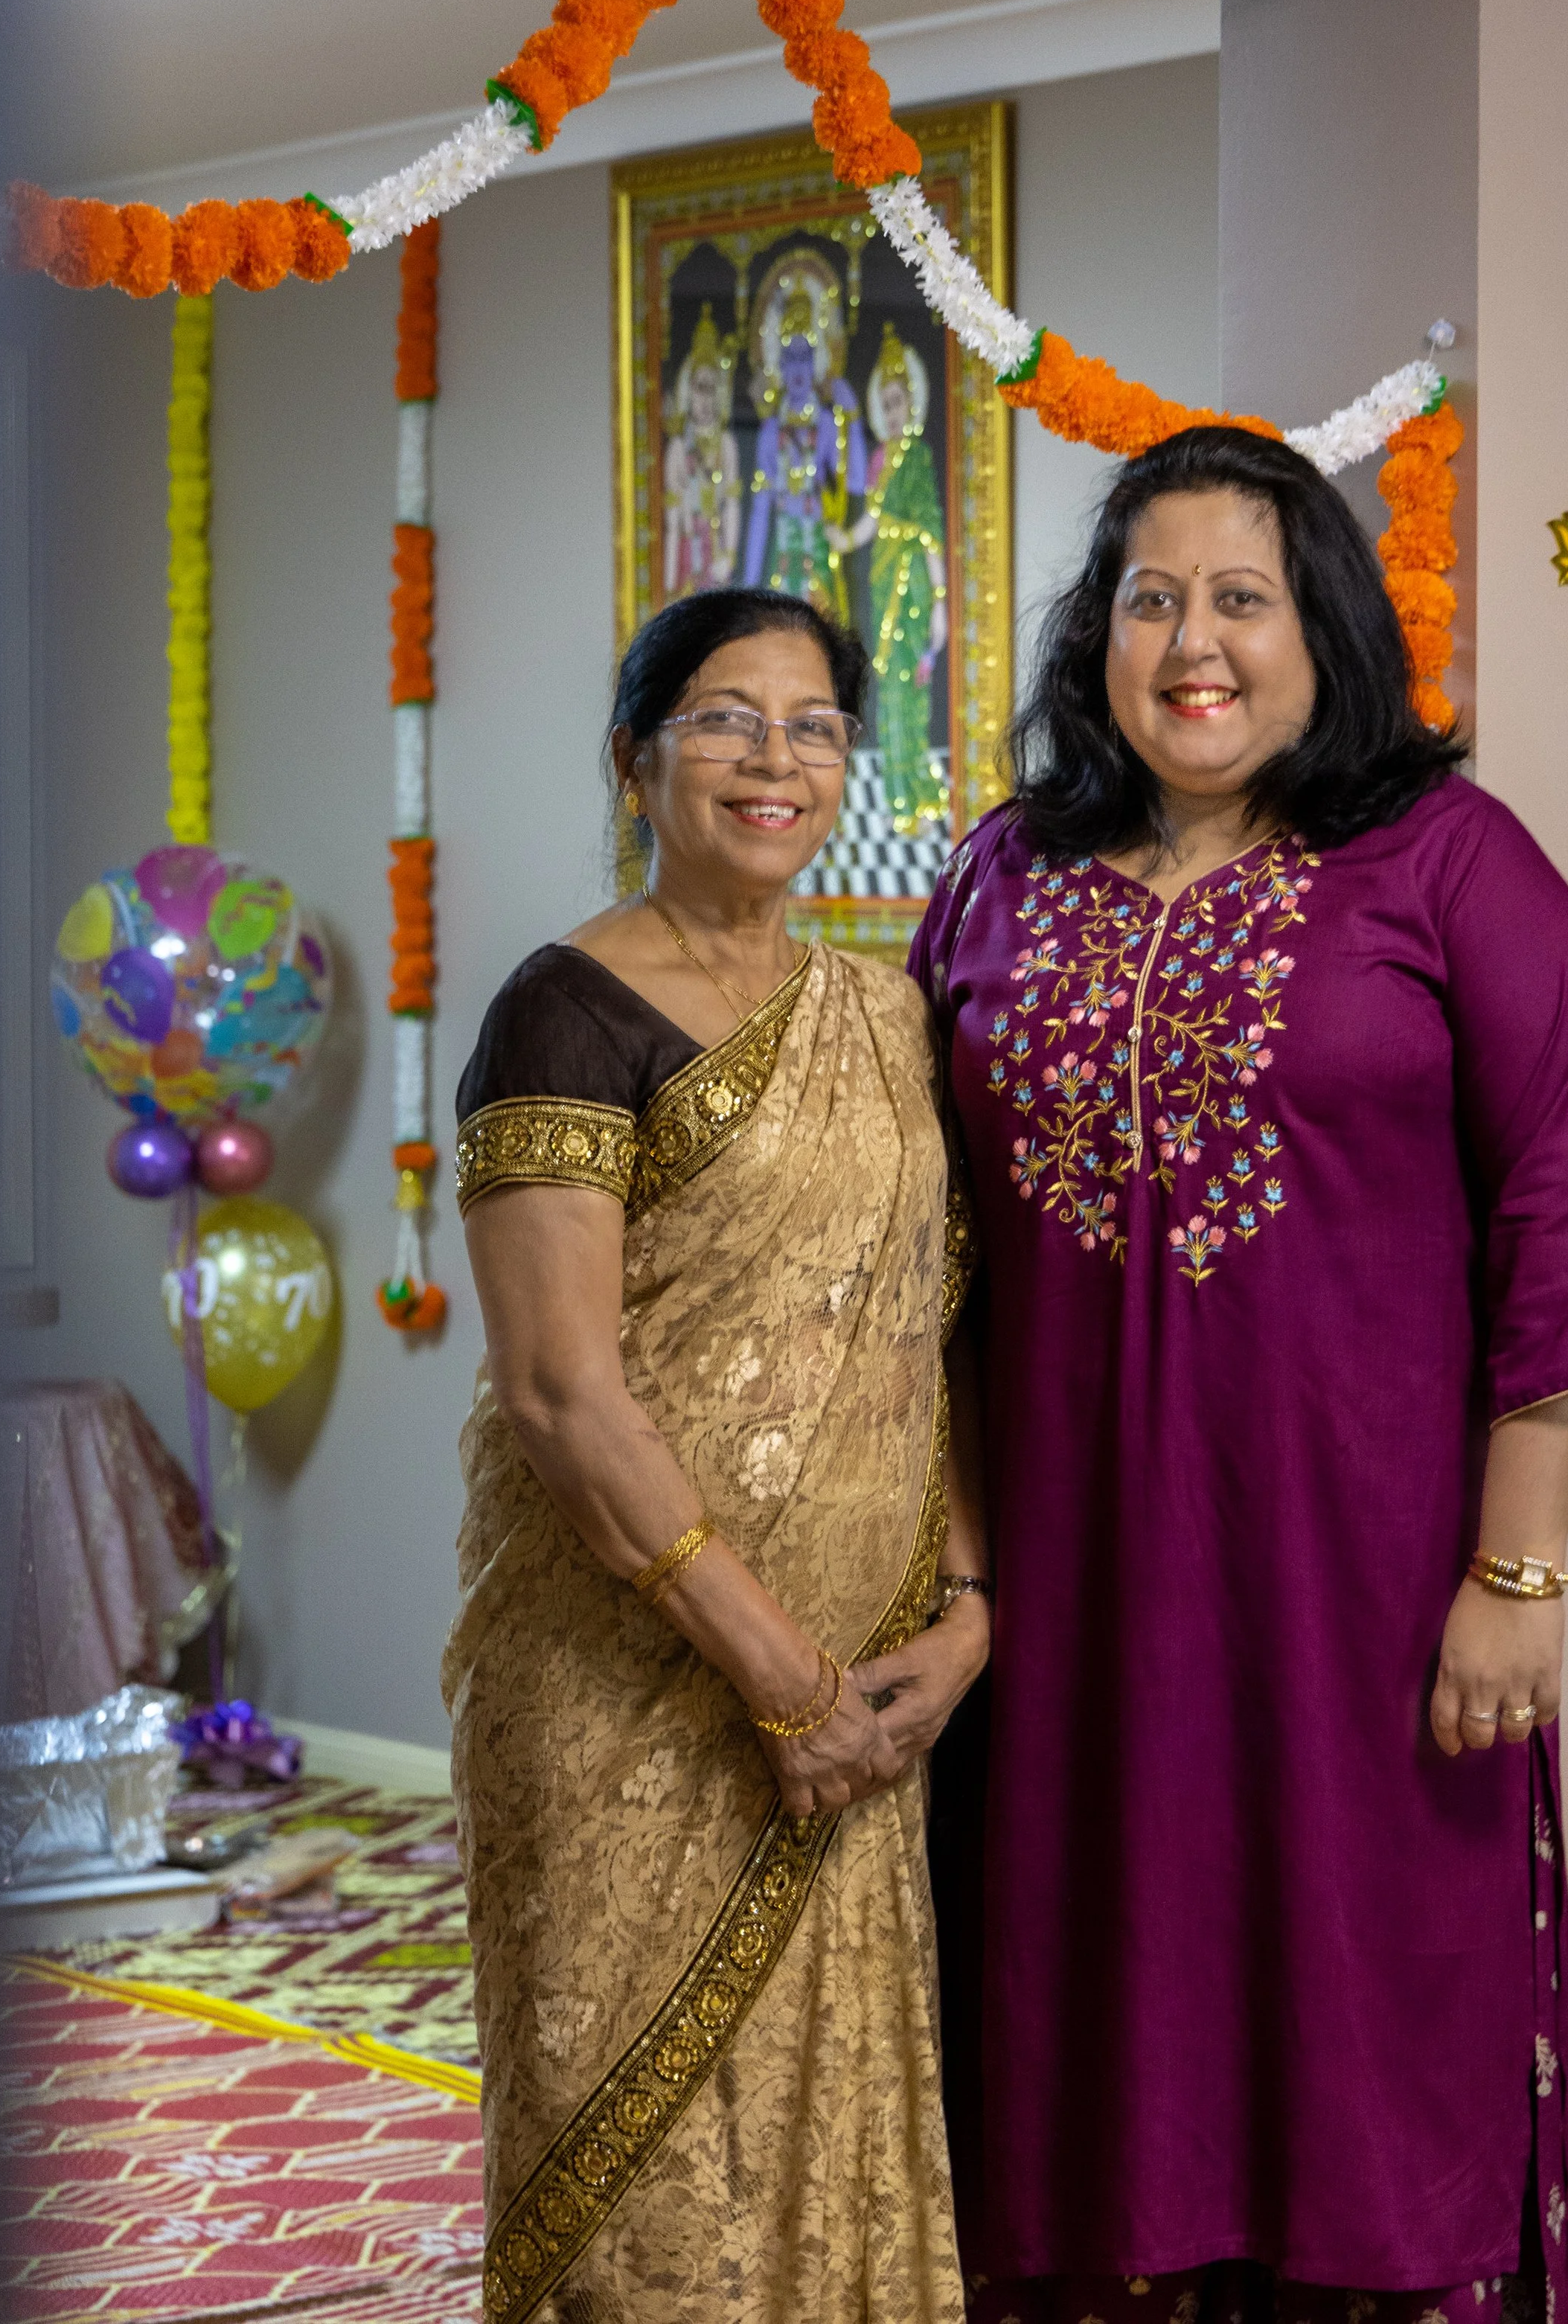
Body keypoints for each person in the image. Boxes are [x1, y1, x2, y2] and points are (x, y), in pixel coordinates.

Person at [912, 427, 1568, 2324]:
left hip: (1373, 1611)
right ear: (1097, 634)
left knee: (1375, 2050)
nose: (1194, 643)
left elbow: (1563, 1213)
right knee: (1088, 2047)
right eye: (1153, 596)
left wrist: (1519, 1574)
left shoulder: (1450, 860)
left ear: (1325, 628)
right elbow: (927, 1253)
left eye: (1244, 596)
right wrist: (963, 1570)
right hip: (1070, 1623)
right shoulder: (1000, 878)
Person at [443, 584, 989, 2324]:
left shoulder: (888, 1016)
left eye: (815, 723)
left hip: (862, 1693)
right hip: (637, 1693)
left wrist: (965, 1605)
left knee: (832, 2151)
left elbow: (923, 1338)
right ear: (636, 757)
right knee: (647, 2169)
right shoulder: (566, 1010)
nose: (776, 757)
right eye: (727, 719)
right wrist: (774, 1672)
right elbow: (560, 1394)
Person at [841, 322, 950, 836]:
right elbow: (869, 523)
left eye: (899, 402)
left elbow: (929, 529)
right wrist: (839, 542)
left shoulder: (920, 458)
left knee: (911, 692)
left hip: (913, 586)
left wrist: (943, 602)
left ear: (913, 404)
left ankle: (917, 797)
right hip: (882, 581)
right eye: (884, 405)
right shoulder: (880, 460)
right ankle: (894, 797)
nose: (892, 413)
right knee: (888, 692)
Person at [741, 283, 864, 612]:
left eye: (804, 357)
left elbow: (855, 484)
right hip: (780, 564)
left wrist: (851, 418)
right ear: (778, 364)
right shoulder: (770, 431)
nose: (797, 369)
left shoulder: (826, 425)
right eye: (789, 358)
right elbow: (761, 511)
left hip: (819, 563)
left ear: (818, 361)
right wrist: (746, 593)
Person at [661, 305, 742, 595]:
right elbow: (672, 521)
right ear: (687, 390)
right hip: (686, 547)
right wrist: (669, 585)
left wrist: (729, 557)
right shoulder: (678, 449)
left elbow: (731, 505)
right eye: (699, 388)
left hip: (716, 548)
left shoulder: (727, 445)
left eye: (711, 389)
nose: (704, 399)